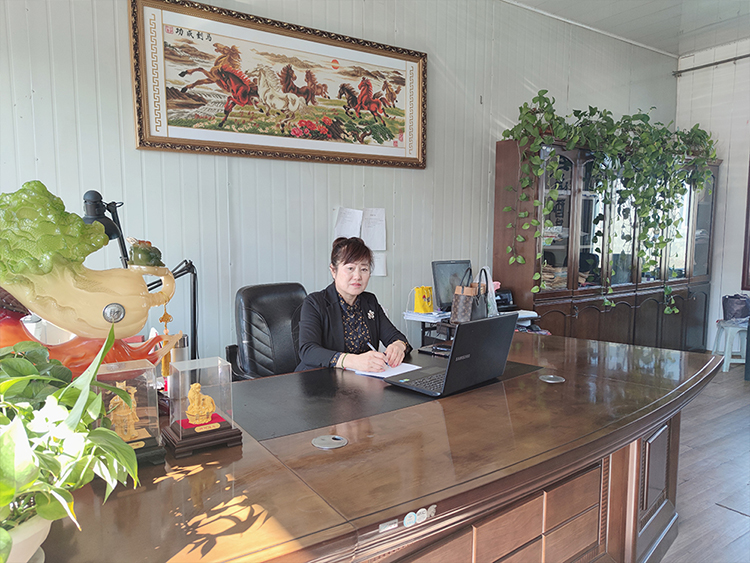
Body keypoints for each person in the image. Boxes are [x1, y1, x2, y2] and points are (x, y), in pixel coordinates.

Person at [296, 237, 411, 372]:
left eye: (364, 269)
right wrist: (352, 361)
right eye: (350, 268)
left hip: (362, 379)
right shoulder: (315, 303)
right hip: (321, 379)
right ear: (333, 271)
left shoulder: (369, 301)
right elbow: (308, 351)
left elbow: (396, 337)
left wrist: (398, 346)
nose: (357, 276)